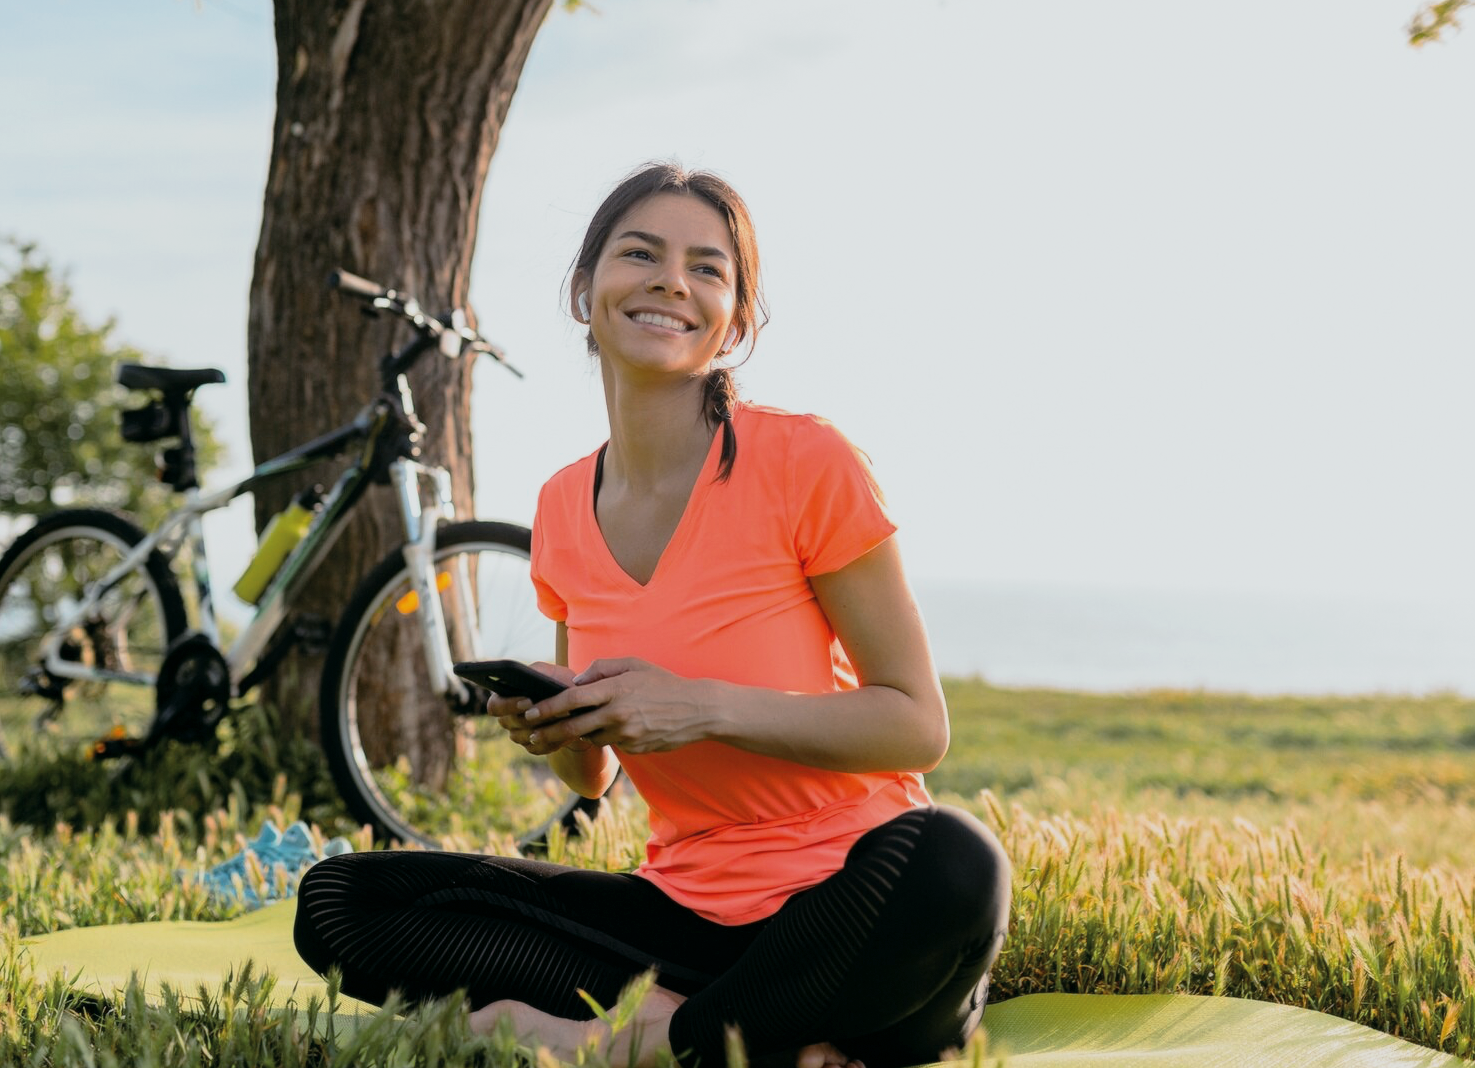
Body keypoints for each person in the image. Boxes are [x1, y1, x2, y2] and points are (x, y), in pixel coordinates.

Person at [293, 162, 1011, 1068]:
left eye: (708, 268)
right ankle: (750, 1040)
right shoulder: (560, 506)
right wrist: (550, 717)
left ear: (736, 321)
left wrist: (700, 706)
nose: (673, 280)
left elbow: (915, 725)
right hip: (683, 918)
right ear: (584, 289)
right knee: (339, 902)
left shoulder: (805, 460)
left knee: (959, 860)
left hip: (855, 907)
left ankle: (641, 1041)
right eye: (641, 253)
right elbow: (589, 776)